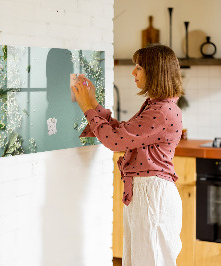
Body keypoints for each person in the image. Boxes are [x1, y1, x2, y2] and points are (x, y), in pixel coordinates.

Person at [72, 44, 184, 266]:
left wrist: (87, 108)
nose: (133, 72)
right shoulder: (157, 106)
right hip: (147, 193)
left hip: (152, 195)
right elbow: (123, 133)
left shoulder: (161, 111)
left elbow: (115, 141)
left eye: (139, 67)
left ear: (155, 72)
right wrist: (93, 104)